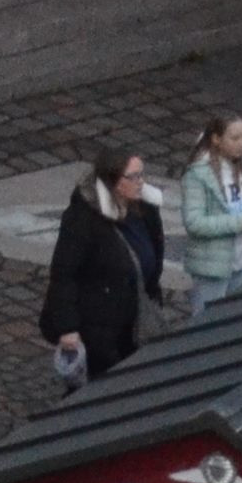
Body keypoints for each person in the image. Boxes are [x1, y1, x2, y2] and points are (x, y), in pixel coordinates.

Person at [40, 153, 163, 386]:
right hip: (97, 323)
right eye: (133, 176)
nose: (141, 182)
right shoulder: (83, 220)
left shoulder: (145, 209)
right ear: (114, 182)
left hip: (133, 318)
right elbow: (64, 274)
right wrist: (67, 328)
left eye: (141, 174)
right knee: (101, 385)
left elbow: (154, 251)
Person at [175, 116, 242, 311]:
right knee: (206, 324)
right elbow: (195, 223)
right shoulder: (198, 175)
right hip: (211, 268)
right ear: (216, 139)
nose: (241, 143)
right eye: (234, 138)